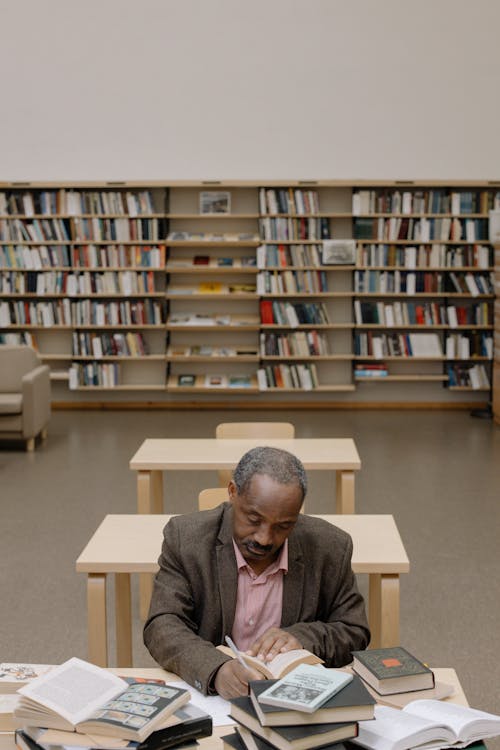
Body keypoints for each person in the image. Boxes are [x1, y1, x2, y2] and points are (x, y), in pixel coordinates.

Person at [143, 446, 370, 698]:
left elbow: (354, 631)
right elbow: (162, 626)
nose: (264, 539)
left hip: (294, 702)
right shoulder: (186, 538)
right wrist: (216, 669)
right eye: (253, 519)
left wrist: (303, 638)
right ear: (232, 493)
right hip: (213, 698)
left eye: (283, 526)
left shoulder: (330, 547)